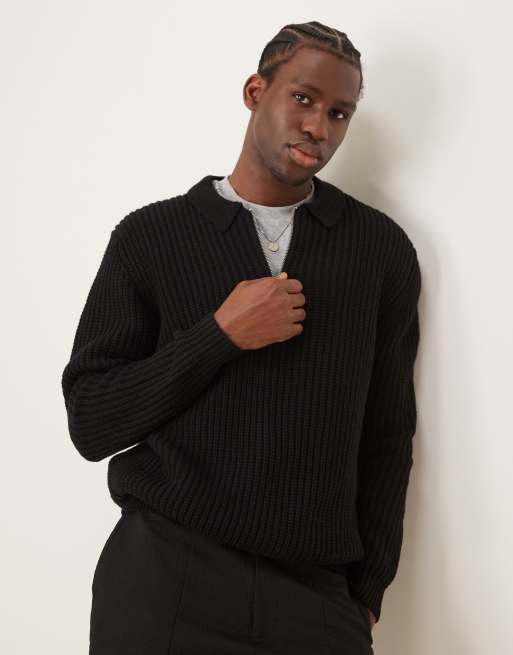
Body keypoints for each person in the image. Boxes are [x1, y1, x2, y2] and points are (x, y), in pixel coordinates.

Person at [61, 20, 421, 654]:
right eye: (303, 98)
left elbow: (388, 434)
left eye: (339, 113)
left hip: (314, 595)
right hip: (167, 579)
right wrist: (219, 335)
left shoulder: (378, 250)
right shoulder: (151, 238)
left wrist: (366, 593)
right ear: (256, 91)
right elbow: (92, 421)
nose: (318, 127)